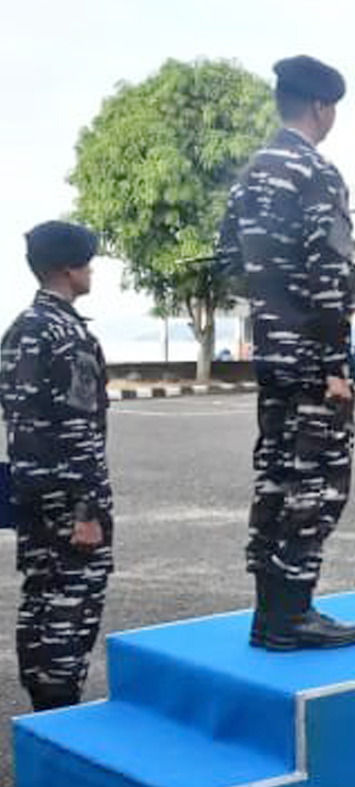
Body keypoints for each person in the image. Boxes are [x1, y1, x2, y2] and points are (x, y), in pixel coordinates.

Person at [218, 55, 355, 651]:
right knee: (319, 481)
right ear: (321, 108)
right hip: (311, 357)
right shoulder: (316, 173)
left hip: (271, 352)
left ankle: (268, 614)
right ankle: (293, 615)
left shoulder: (251, 174)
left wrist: (269, 306)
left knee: (275, 477)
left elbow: (228, 259)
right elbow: (330, 271)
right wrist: (335, 365)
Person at [1, 221, 113, 710]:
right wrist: (86, 510)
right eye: (86, 262)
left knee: (40, 598)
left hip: (31, 493)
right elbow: (79, 429)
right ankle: (58, 706)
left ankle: (42, 707)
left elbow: (22, 422)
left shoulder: (20, 330)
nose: (91, 270)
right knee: (73, 602)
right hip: (71, 503)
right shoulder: (68, 335)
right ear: (68, 270)